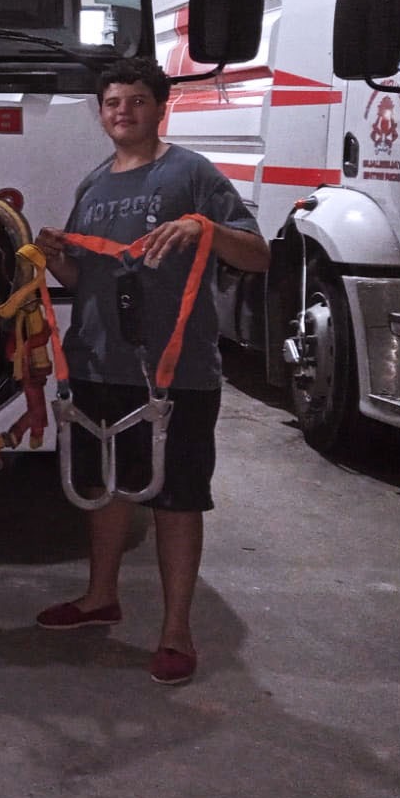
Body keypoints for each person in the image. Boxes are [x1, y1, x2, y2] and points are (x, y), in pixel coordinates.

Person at [34, 56, 268, 686]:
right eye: (113, 103)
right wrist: (55, 260)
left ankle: (176, 632)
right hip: (97, 365)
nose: (124, 112)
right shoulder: (93, 184)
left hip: (175, 372)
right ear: (101, 112)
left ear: (159, 108)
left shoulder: (190, 173)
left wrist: (202, 226)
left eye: (137, 101)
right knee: (106, 487)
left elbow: (258, 255)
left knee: (176, 499)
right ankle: (99, 598)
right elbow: (84, 279)